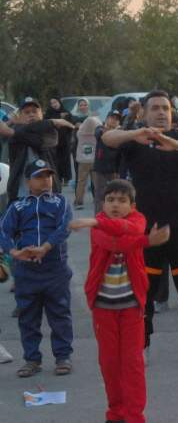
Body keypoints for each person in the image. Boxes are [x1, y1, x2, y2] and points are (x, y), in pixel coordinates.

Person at [101, 90, 178, 363]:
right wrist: (133, 134)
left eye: (165, 108)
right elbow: (107, 138)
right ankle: (143, 343)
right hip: (144, 230)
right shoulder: (135, 141)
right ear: (143, 113)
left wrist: (177, 145)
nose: (162, 112)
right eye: (155, 108)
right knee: (144, 291)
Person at [70, 179, 170, 423]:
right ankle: (115, 413)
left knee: (133, 363)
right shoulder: (99, 228)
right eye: (110, 200)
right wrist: (148, 241)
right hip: (103, 307)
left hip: (132, 307)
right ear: (103, 203)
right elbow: (115, 242)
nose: (115, 204)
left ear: (132, 205)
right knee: (110, 364)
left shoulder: (137, 220)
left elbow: (132, 232)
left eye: (122, 200)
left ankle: (134, 416)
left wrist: (96, 220)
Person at [0, 159, 74, 378]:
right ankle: (32, 359)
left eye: (48, 176)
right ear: (27, 181)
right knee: (28, 317)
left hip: (55, 269)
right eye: (39, 176)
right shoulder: (17, 206)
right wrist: (14, 253)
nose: (45, 181)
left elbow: (65, 227)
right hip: (26, 271)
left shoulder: (60, 202)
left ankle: (63, 357)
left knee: (60, 315)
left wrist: (46, 247)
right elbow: (3, 232)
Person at [0, 97, 74, 202]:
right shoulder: (17, 130)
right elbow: (11, 133)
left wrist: (11, 131)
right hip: (21, 192)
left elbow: (38, 141)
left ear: (41, 114)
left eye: (35, 111)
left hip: (48, 190)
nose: (31, 114)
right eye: (27, 112)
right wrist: (52, 121)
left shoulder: (50, 130)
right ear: (20, 116)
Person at [92, 110, 123, 215]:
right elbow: (98, 133)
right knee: (100, 196)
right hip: (100, 170)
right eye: (112, 117)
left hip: (115, 170)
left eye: (117, 119)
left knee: (115, 196)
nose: (114, 120)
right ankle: (99, 220)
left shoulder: (121, 133)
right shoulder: (100, 129)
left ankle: (112, 220)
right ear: (106, 119)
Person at [74, 113, 102, 209]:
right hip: (94, 160)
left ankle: (79, 201)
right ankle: (98, 199)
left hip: (83, 161)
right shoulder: (97, 134)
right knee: (96, 182)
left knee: (81, 181)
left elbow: (78, 131)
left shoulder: (80, 134)